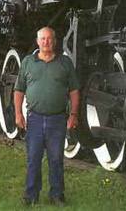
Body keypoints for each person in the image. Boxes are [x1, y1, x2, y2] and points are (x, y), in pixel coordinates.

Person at [14, 27, 79, 206]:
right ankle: (30, 195)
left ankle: (57, 194)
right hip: (34, 118)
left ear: (55, 41)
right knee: (33, 157)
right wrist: (18, 113)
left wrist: (73, 114)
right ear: (37, 41)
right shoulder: (28, 62)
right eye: (43, 39)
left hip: (57, 118)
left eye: (49, 39)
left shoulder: (65, 63)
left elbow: (74, 91)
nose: (46, 42)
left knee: (56, 158)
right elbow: (19, 90)